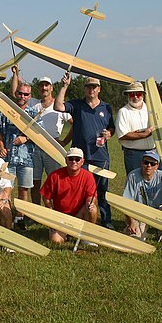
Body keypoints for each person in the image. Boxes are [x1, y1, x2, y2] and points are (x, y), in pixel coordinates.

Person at [54, 73, 115, 229]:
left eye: (94, 87)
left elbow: (111, 127)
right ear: (85, 89)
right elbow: (58, 106)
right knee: (81, 190)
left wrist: (109, 133)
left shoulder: (106, 107)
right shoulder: (77, 105)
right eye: (88, 87)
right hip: (79, 158)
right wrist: (65, 86)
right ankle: (81, 219)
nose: (91, 90)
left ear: (99, 89)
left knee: (102, 190)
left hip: (100, 156)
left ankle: (106, 221)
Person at [0, 80, 36, 229]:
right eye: (20, 93)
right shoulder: (5, 111)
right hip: (8, 158)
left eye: (26, 94)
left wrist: (25, 138)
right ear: (16, 93)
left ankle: (20, 217)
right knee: (7, 188)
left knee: (24, 189)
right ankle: (7, 214)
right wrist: (1, 147)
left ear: (30, 96)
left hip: (27, 159)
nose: (22, 96)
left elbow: (40, 135)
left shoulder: (34, 113)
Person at [121, 150, 162, 240]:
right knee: (135, 239)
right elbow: (126, 202)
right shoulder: (132, 176)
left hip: (158, 211)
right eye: (146, 162)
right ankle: (134, 230)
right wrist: (131, 222)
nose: (149, 166)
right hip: (139, 213)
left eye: (152, 164)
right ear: (141, 163)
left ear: (157, 166)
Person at [28, 75, 72, 206]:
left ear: (51, 88)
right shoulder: (32, 103)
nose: (44, 88)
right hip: (34, 147)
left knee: (54, 180)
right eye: (41, 85)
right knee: (34, 181)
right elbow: (15, 93)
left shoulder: (58, 105)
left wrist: (64, 142)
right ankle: (36, 209)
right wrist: (15, 75)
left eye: (47, 85)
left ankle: (55, 209)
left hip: (52, 147)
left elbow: (75, 124)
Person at [39, 147, 98, 244]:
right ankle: (64, 234)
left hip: (79, 215)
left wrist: (89, 204)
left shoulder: (88, 176)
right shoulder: (55, 176)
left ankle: (87, 236)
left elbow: (91, 197)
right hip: (61, 218)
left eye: (77, 159)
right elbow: (46, 197)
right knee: (56, 240)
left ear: (82, 161)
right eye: (71, 159)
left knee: (93, 209)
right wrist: (51, 214)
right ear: (66, 160)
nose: (74, 161)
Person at [116, 81, 155, 175]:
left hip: (152, 152)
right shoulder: (123, 112)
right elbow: (123, 135)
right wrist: (144, 134)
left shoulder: (151, 110)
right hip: (133, 154)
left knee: (155, 183)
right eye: (131, 94)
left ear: (143, 95)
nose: (135, 97)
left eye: (138, 94)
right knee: (134, 183)